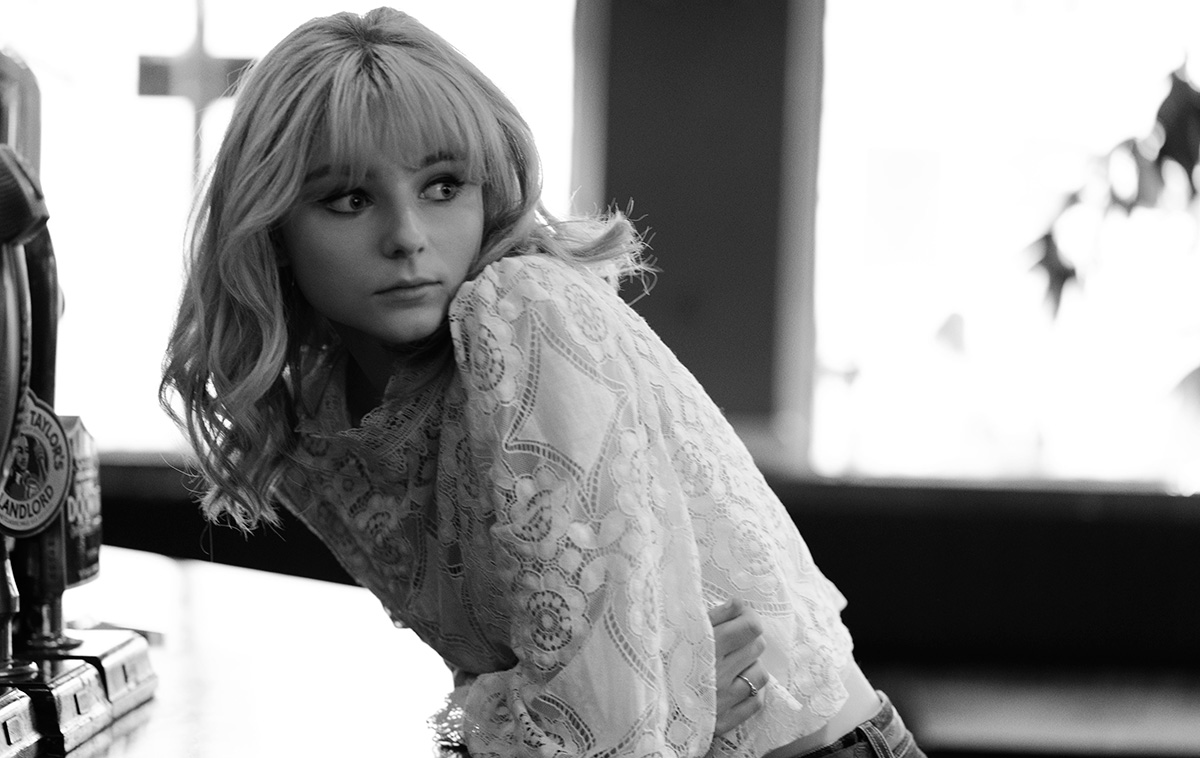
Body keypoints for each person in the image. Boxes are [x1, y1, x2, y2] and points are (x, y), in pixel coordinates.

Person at [160, 8, 924, 757]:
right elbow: (542, 698)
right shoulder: (316, 421)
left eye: (442, 186)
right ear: (273, 229)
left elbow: (605, 734)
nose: (407, 237)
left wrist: (633, 703)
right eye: (349, 200)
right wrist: (644, 697)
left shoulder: (523, 309)